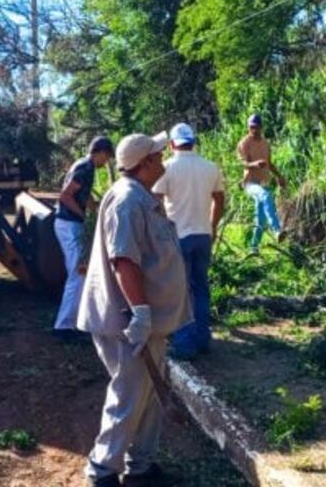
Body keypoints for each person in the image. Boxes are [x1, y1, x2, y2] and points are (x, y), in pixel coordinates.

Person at [77, 132, 192, 487]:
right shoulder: (127, 201)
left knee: (148, 397)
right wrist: (140, 313)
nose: (162, 159)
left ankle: (140, 466)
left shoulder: (141, 196)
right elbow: (124, 261)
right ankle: (102, 470)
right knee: (129, 396)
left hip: (147, 321)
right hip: (127, 322)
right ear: (144, 164)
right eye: (157, 155)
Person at [152, 122, 225, 359]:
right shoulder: (210, 167)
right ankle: (202, 338)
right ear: (193, 142)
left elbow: (155, 200)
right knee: (200, 287)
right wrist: (212, 226)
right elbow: (219, 199)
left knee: (180, 291)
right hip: (203, 235)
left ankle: (184, 344)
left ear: (172, 144)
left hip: (178, 236)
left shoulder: (167, 168)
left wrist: (160, 228)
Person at [52, 136, 115, 340]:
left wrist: (94, 208)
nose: (106, 161)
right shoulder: (85, 167)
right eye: (107, 157)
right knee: (78, 274)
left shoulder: (85, 165)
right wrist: (83, 216)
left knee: (80, 272)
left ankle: (74, 322)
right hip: (69, 224)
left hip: (69, 224)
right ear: (100, 152)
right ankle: (64, 327)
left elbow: (83, 193)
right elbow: (65, 196)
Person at [237, 113, 286, 254]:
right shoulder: (244, 143)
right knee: (266, 196)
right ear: (248, 127)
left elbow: (269, 163)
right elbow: (243, 163)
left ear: (261, 127)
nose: (254, 130)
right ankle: (277, 230)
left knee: (260, 221)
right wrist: (255, 164)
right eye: (251, 127)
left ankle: (253, 248)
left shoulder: (265, 143)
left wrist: (279, 176)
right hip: (250, 184)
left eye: (256, 127)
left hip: (263, 183)